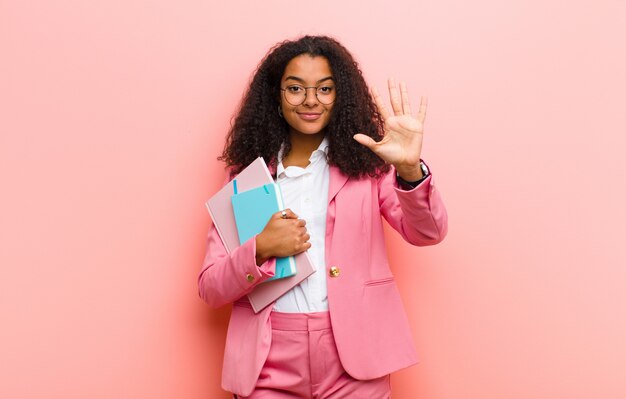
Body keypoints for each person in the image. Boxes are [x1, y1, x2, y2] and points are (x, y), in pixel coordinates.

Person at [198, 35, 448, 398]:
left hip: (356, 358)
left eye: (325, 89)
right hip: (267, 362)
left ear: (340, 95)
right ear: (275, 96)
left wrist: (409, 170)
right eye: (295, 88)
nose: (311, 100)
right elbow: (210, 286)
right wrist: (261, 248)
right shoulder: (246, 177)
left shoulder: (369, 168)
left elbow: (428, 232)